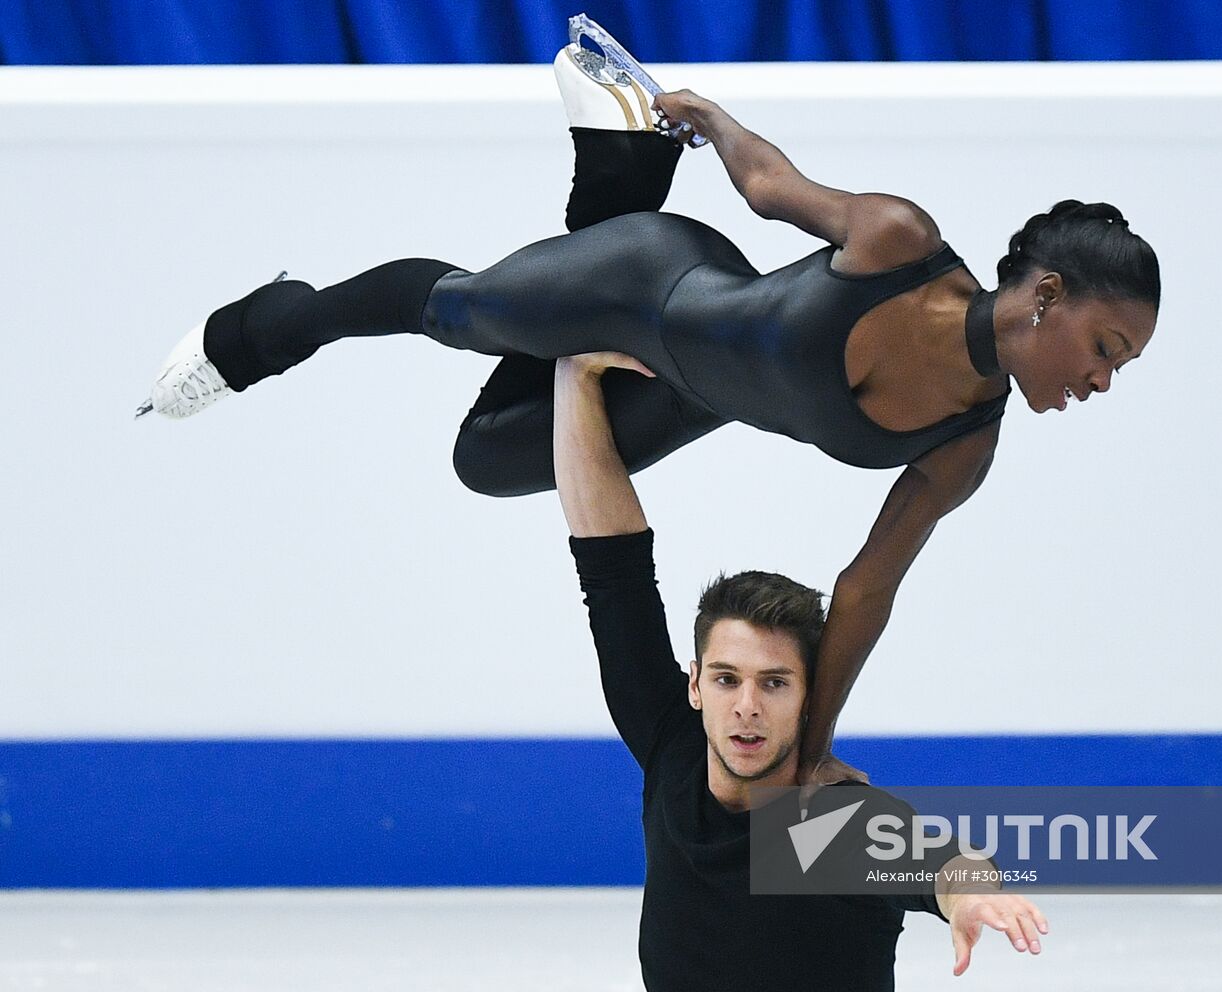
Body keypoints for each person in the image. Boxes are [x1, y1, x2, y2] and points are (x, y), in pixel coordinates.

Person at [136, 34, 1161, 787]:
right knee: (458, 313)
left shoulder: (965, 447)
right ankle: (270, 327)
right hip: (655, 281)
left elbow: (860, 590)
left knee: (486, 458)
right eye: (1106, 351)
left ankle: (616, 170)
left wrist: (806, 752)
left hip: (686, 393)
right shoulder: (900, 240)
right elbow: (768, 192)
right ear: (1045, 298)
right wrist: (714, 122)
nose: (1102, 381)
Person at [553, 346, 1048, 989]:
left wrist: (972, 895)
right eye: (727, 679)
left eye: (775, 683)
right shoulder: (671, 743)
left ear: (812, 695)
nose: (747, 705)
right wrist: (576, 372)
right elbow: (609, 558)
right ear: (696, 686)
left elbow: (942, 863)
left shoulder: (831, 830)